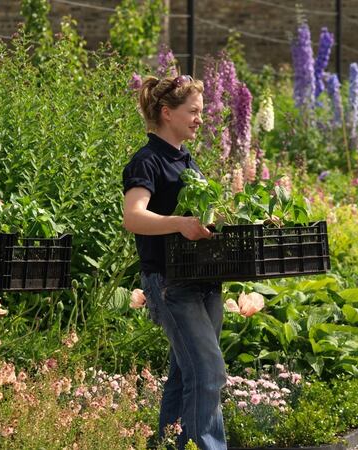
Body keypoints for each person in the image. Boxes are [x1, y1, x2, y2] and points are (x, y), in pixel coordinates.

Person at [122, 74, 227, 450]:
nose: (200, 118)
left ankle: (167, 445)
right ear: (167, 113)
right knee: (208, 372)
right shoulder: (147, 162)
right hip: (170, 282)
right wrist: (180, 224)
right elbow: (133, 217)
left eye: (201, 111)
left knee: (185, 376)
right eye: (193, 111)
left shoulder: (187, 161)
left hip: (202, 280)